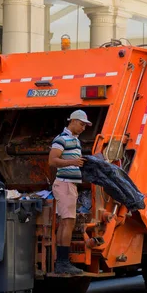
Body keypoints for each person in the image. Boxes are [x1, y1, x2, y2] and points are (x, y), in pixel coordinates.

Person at [49, 110, 92, 275]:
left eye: (85, 126)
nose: (83, 128)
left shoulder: (76, 141)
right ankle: (62, 263)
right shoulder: (61, 139)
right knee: (68, 223)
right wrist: (73, 162)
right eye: (81, 124)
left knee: (65, 223)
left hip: (69, 185)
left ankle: (62, 262)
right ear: (72, 121)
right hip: (65, 185)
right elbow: (52, 161)